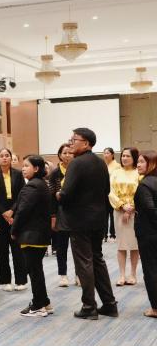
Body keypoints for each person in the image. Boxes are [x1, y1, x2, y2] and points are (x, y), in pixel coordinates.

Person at [58, 128, 117, 320]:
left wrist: (58, 195)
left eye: (74, 139)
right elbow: (106, 190)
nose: (70, 142)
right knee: (97, 259)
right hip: (98, 219)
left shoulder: (76, 163)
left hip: (79, 221)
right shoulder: (101, 163)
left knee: (84, 262)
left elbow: (66, 194)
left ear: (86, 143)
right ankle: (109, 304)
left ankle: (89, 306)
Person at [12, 155, 52, 318]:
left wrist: (14, 230)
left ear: (36, 168)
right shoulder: (40, 184)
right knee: (36, 270)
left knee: (34, 272)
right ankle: (45, 302)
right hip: (38, 235)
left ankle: (38, 305)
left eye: (26, 166)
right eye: (22, 165)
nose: (23, 168)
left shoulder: (33, 186)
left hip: (32, 235)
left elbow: (22, 211)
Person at [0, 148, 27, 292]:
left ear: (11, 158)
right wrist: (4, 213)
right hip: (0, 216)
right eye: (2, 156)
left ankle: (21, 280)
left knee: (18, 249)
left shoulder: (18, 174)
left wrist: (12, 211)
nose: (5, 158)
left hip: (15, 214)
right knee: (2, 250)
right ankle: (6, 281)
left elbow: (22, 194)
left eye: (7, 155)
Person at [109, 147, 140, 287]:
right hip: (119, 211)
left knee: (134, 245)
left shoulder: (138, 173)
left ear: (134, 158)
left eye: (128, 156)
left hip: (135, 212)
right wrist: (122, 206)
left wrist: (131, 207)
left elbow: (141, 192)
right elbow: (111, 192)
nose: (124, 158)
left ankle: (133, 274)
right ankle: (122, 275)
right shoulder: (115, 173)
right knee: (121, 245)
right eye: (123, 156)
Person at [134, 151, 157, 318]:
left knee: (151, 270)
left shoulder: (145, 185)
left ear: (152, 164)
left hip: (149, 234)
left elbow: (150, 209)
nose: (138, 165)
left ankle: (155, 308)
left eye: (142, 162)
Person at [49, 143, 75, 287]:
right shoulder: (54, 173)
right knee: (61, 246)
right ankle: (63, 275)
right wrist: (53, 216)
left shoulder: (77, 169)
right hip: (60, 212)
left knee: (78, 246)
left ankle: (79, 275)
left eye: (70, 153)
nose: (67, 155)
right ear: (59, 155)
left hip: (76, 212)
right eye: (64, 153)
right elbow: (51, 197)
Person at [103, 147, 121, 242]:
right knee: (104, 214)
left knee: (112, 214)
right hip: (104, 192)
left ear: (112, 154)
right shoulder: (103, 165)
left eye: (107, 153)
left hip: (113, 191)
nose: (105, 155)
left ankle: (113, 234)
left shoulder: (117, 166)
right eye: (104, 153)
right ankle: (104, 234)